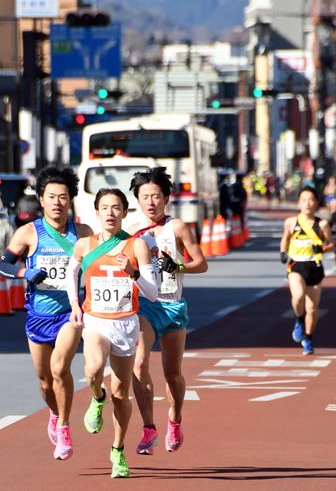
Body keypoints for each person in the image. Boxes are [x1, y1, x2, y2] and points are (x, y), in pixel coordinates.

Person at [0, 167, 93, 461]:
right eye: (51, 197)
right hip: (39, 314)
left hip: (70, 313)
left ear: (71, 200)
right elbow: (2, 266)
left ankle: (64, 429)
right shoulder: (28, 233)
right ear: (41, 199)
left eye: (63, 197)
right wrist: (26, 271)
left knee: (60, 368)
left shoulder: (84, 233)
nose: (57, 203)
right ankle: (53, 413)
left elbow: (100, 266)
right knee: (44, 380)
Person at [65, 188, 157, 478]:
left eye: (116, 207)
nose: (110, 213)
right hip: (96, 321)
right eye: (104, 207)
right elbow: (71, 273)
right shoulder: (84, 245)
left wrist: (133, 272)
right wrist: (74, 304)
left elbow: (152, 295)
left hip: (126, 324)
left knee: (122, 393)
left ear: (124, 212)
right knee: (92, 368)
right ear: (96, 212)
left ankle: (117, 450)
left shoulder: (137, 246)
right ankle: (96, 396)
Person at [127, 167, 208, 456]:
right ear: (137, 199)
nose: (151, 202)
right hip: (145, 305)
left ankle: (175, 418)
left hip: (173, 307)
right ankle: (149, 426)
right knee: (138, 363)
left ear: (166, 198)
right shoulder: (132, 231)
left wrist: (179, 266)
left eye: (156, 196)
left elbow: (202, 263)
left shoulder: (178, 228)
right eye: (145, 196)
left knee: (172, 373)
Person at [280, 187, 334, 355]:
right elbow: (285, 238)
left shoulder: (322, 224)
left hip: (314, 266)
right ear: (298, 203)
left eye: (311, 200)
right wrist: (283, 253)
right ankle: (298, 321)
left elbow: (331, 244)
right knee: (298, 297)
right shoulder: (291, 222)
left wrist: (322, 249)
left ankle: (308, 339)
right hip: (296, 265)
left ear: (317, 203)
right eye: (304, 200)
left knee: (312, 309)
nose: (307, 203)